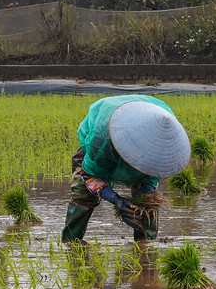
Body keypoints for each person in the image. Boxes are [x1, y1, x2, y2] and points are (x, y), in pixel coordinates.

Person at [62, 95, 190, 243]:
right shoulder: (103, 138)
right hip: (103, 133)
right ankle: (70, 244)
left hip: (147, 124)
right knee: (83, 196)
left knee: (147, 203)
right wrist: (116, 200)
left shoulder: (165, 134)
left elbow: (154, 172)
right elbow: (89, 174)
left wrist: (146, 191)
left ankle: (145, 246)